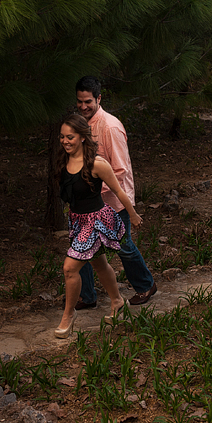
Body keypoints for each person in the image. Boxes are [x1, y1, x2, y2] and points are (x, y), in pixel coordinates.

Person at [53, 114, 142, 338]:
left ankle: (68, 315)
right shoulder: (64, 160)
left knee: (69, 268)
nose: (65, 141)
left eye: (70, 137)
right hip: (78, 221)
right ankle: (117, 301)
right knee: (100, 264)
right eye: (62, 137)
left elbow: (118, 190)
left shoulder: (97, 164)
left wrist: (132, 215)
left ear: (83, 137)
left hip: (95, 222)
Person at [74, 75, 157, 309]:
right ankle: (86, 296)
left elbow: (120, 171)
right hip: (88, 201)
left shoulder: (110, 127)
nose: (83, 106)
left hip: (112, 201)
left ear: (99, 99)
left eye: (88, 102)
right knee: (83, 246)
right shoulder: (81, 125)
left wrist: (92, 189)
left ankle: (146, 285)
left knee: (124, 247)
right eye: (80, 101)